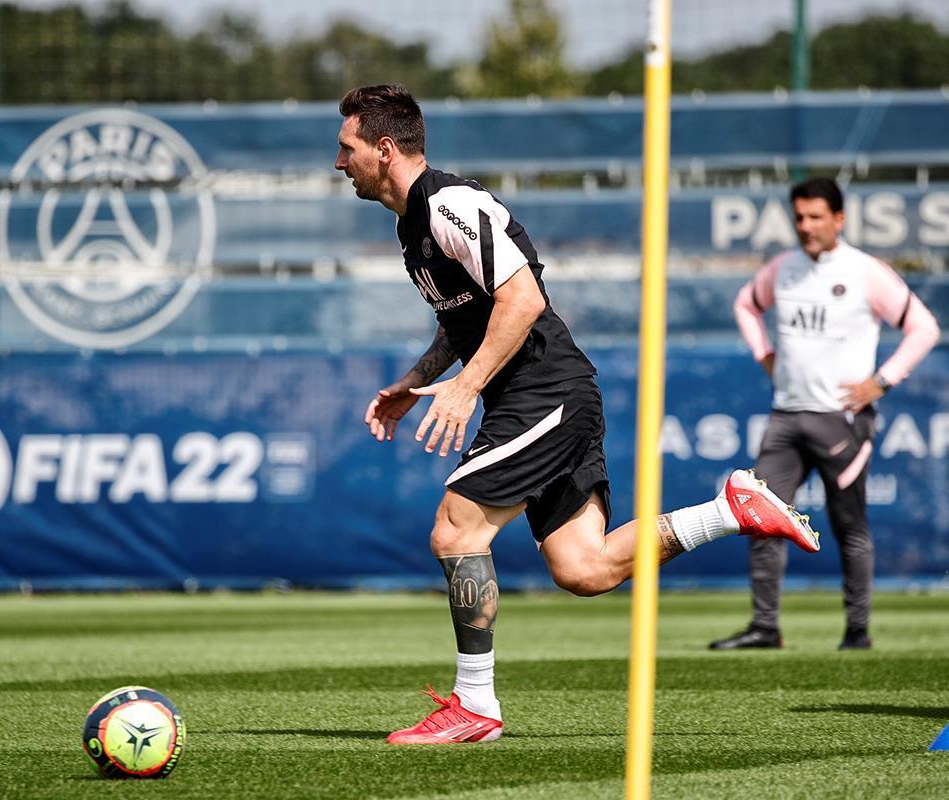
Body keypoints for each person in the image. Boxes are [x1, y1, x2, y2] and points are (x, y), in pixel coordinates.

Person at [335, 84, 821, 745]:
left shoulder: (449, 205)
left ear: (384, 149)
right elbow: (465, 318)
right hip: (545, 395)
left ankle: (475, 706)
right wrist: (418, 379)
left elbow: (523, 300)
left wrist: (466, 387)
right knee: (583, 568)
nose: (340, 163)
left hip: (544, 391)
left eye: (348, 148)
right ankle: (729, 509)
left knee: (455, 531)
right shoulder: (411, 224)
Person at [710, 177, 940, 652]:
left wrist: (882, 380)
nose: (806, 226)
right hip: (786, 416)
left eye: (816, 217)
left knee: (849, 525)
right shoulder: (783, 268)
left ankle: (857, 632)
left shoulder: (865, 271)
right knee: (760, 518)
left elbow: (924, 327)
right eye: (799, 217)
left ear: (839, 218)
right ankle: (765, 627)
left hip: (842, 420)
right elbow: (745, 305)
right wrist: (764, 354)